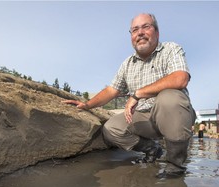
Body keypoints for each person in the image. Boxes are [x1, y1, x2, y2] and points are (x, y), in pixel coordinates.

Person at [63, 13, 196, 178]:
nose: (140, 33)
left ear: (157, 32)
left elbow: (180, 78)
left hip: (174, 114)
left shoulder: (171, 49)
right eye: (135, 30)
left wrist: (138, 94)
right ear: (131, 36)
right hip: (145, 118)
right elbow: (112, 90)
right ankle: (152, 149)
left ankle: (176, 166)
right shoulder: (127, 64)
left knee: (169, 98)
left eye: (145, 27)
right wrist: (87, 105)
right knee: (111, 128)